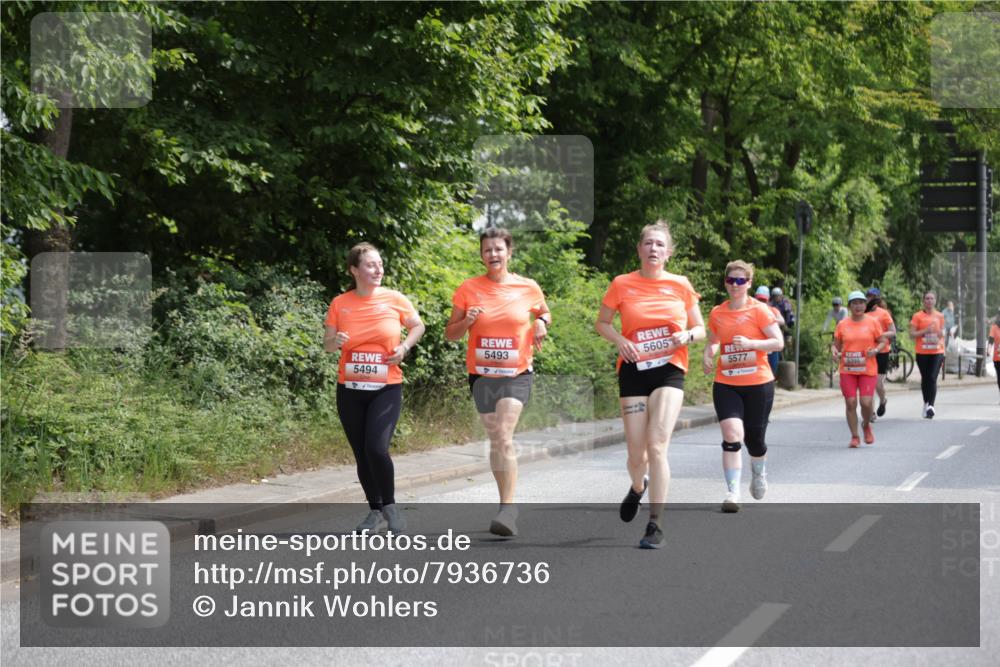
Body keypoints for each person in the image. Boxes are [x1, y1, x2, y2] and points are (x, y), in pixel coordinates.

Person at [596, 221, 705, 549]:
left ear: (668, 252)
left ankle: (655, 524)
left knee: (657, 445)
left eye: (660, 244)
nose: (653, 249)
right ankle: (637, 486)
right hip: (633, 371)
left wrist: (686, 335)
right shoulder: (621, 284)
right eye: (648, 244)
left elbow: (701, 328)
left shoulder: (681, 285)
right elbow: (602, 322)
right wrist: (619, 340)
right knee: (635, 454)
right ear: (639, 250)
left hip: (669, 370)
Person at [445, 227, 550, 537]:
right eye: (487, 250)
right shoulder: (468, 289)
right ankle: (507, 504)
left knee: (504, 433)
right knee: (496, 440)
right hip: (481, 375)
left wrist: (541, 323)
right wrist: (467, 321)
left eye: (498, 249)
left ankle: (507, 508)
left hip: (517, 373)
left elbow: (544, 312)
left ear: (509, 252)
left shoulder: (527, 287)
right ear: (481, 255)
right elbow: (451, 334)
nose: (493, 254)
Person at [324, 242, 425, 534]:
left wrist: (404, 347)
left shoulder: (395, 299)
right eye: (370, 265)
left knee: (376, 448)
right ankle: (374, 512)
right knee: (361, 453)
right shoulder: (340, 304)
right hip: (350, 389)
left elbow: (418, 326)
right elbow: (327, 346)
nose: (378, 269)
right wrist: (337, 341)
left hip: (386, 387)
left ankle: (391, 508)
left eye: (380, 264)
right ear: (354, 270)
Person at [702, 261, 784, 513]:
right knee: (731, 433)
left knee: (755, 440)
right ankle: (732, 492)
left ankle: (759, 473)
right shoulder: (718, 312)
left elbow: (777, 342)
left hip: (758, 383)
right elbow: (715, 339)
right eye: (730, 280)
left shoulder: (760, 311)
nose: (735, 285)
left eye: (740, 281)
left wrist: (752, 343)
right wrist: (709, 352)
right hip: (726, 382)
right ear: (725, 282)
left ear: (748, 283)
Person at [832, 291, 889, 447]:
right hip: (848, 369)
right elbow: (835, 345)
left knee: (866, 402)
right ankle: (855, 436)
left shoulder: (872, 322)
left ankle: (865, 425)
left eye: (861, 303)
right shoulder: (843, 324)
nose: (858, 306)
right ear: (849, 306)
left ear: (865, 305)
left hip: (867, 369)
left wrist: (876, 350)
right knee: (850, 403)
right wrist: (834, 353)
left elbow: (883, 341)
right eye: (855, 303)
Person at [909, 291, 946, 419]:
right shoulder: (917, 316)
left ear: (935, 301)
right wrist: (925, 331)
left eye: (932, 298)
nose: (929, 301)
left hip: (937, 351)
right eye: (927, 298)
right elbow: (912, 334)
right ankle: (926, 403)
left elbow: (943, 332)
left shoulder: (940, 316)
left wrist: (942, 334)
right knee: (925, 379)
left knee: (932, 377)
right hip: (922, 352)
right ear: (923, 301)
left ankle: (931, 406)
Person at [864, 288, 896, 420]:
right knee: (869, 383)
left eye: (872, 296)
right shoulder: (863, 313)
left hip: (882, 351)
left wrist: (879, 335)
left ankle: (883, 400)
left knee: (878, 383)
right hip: (868, 352)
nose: (869, 298)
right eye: (868, 296)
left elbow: (893, 331)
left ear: (878, 299)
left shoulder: (884, 313)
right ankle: (871, 413)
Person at [755, 286, 783, 375]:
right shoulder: (751, 310)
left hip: (770, 347)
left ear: (768, 299)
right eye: (760, 299)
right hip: (756, 347)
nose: (761, 302)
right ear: (755, 298)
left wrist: (771, 320)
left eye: (764, 300)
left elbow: (782, 321)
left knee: (771, 372)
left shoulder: (772, 310)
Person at [989, 308, 1000, 401]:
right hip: (997, 358)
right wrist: (988, 350)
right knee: (999, 378)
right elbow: (991, 340)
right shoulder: (994, 327)